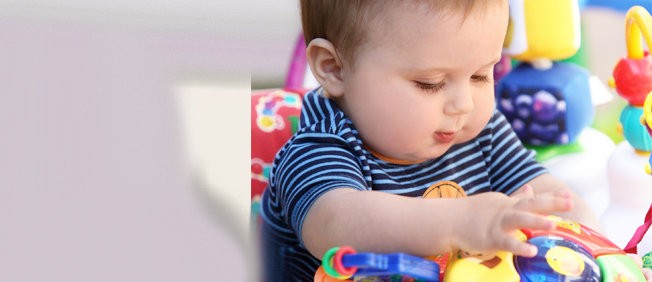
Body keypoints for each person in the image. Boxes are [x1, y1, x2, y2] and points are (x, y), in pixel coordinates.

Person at [259, 0, 649, 281]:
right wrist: (459, 221)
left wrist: (590, 244)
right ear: (334, 69)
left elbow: (541, 190)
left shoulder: (479, 129)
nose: (463, 104)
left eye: (482, 75)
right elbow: (336, 223)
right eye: (430, 83)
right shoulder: (318, 149)